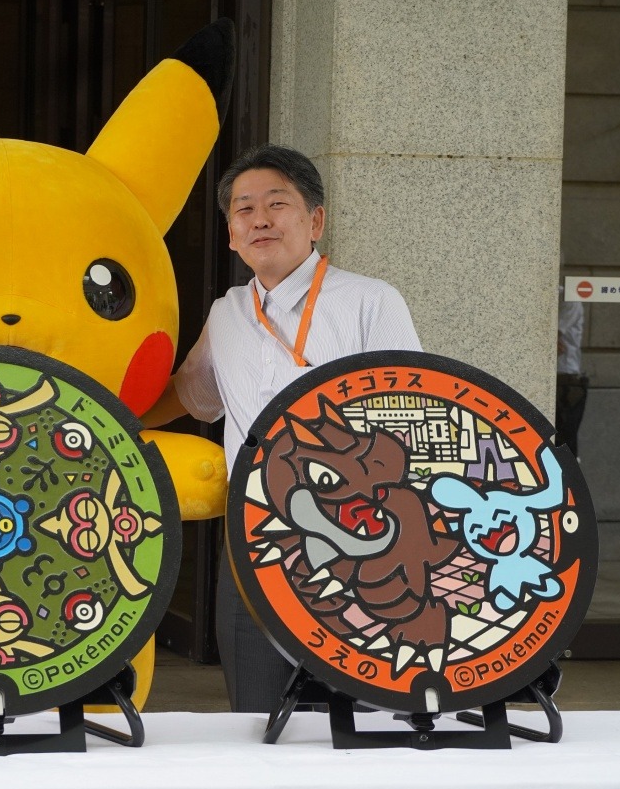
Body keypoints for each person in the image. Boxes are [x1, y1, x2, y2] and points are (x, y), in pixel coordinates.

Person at [143, 144, 422, 713]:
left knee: (357, 695)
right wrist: (100, 415)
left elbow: (409, 412)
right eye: (244, 210)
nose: (260, 220)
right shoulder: (227, 312)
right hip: (256, 525)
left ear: (315, 220)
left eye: (277, 204)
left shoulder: (370, 301)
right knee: (256, 694)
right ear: (230, 233)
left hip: (357, 526)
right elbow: (193, 397)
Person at [555, 287, 587, 455]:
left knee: (563, 440)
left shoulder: (568, 297)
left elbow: (552, 339)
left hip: (565, 378)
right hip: (559, 377)